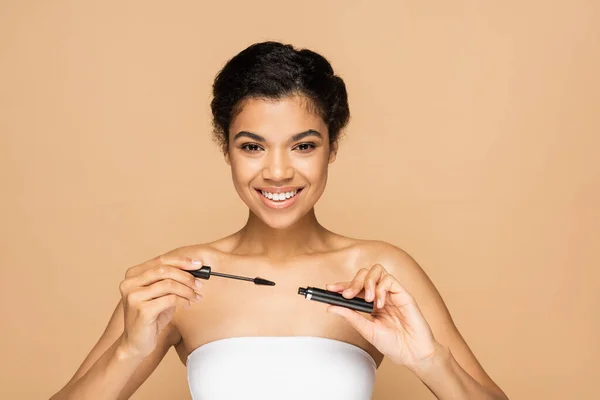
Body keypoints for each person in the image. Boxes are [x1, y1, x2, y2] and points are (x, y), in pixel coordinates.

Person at [50, 41, 509, 400]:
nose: (276, 171)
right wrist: (130, 352)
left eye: (303, 146)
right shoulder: (179, 280)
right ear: (225, 150)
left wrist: (429, 360)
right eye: (252, 146)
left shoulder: (378, 275)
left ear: (333, 148)